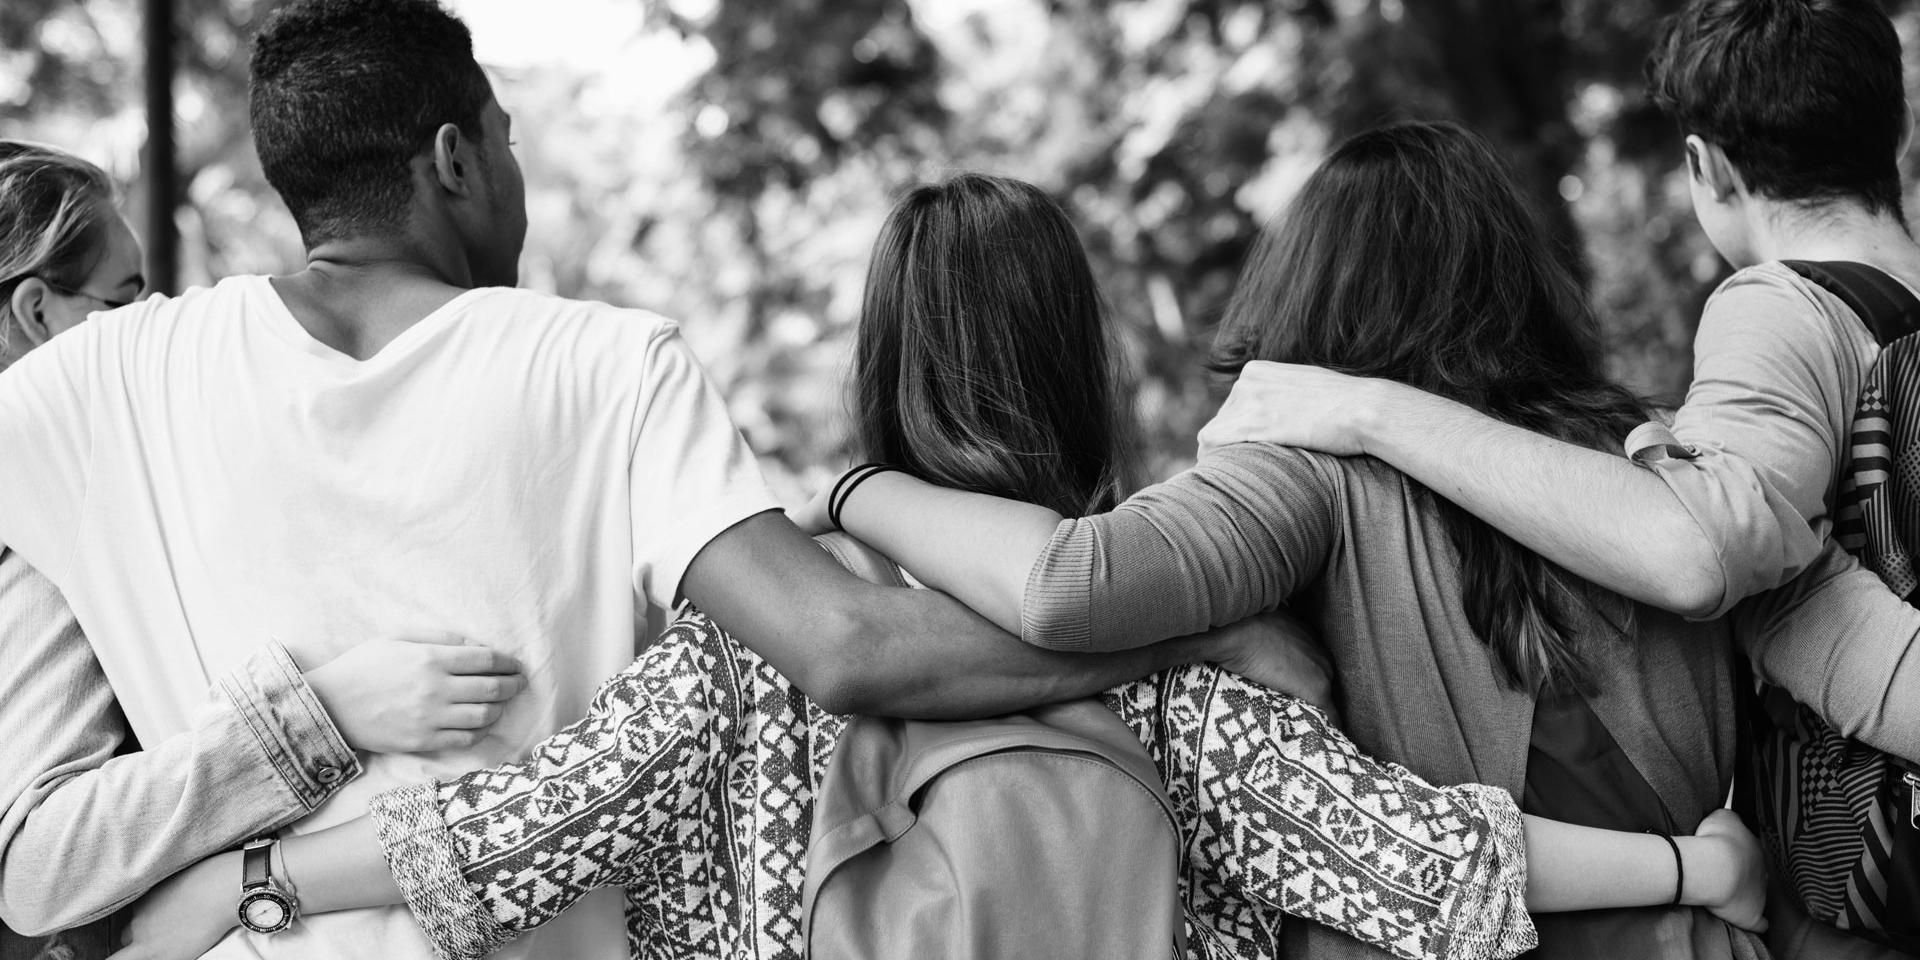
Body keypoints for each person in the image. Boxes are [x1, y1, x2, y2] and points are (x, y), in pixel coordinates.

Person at [115, 169, 1762, 960]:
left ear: (882, 362)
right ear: (1079, 364)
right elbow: (1433, 871)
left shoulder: (746, 653)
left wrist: (241, 885)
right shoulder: (1191, 656)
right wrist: (1700, 872)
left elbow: (508, 834)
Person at [0, 3, 1345, 958]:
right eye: (508, 140)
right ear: (457, 159)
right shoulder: (607, 364)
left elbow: (35, 847)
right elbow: (847, 646)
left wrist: (246, 866)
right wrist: (1185, 631)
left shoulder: (79, 393)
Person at [801, 123, 1770, 960]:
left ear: (1311, 283)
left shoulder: (1301, 481)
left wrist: (850, 488)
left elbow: (1070, 585)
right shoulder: (1647, 460)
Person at [1197, 2, 1920, 956]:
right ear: (1895, 130)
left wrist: (1366, 409)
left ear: (1708, 167)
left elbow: (1697, 550)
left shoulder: (1781, 307)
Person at [0, 140, 531, 958]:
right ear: (40, 315)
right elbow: (42, 863)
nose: (153, 321)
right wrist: (322, 717)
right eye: (124, 300)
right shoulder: (41, 524)